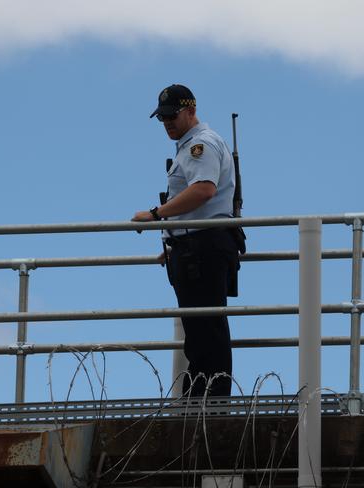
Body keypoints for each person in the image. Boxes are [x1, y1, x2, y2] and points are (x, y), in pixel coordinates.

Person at [132, 84, 240, 397]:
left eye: (172, 115)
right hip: (195, 246)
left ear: (191, 111)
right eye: (162, 117)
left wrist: (156, 214)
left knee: (206, 330)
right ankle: (203, 398)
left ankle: (210, 402)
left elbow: (203, 189)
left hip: (203, 248)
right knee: (200, 330)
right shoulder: (190, 145)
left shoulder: (200, 145)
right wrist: (175, 240)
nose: (167, 122)